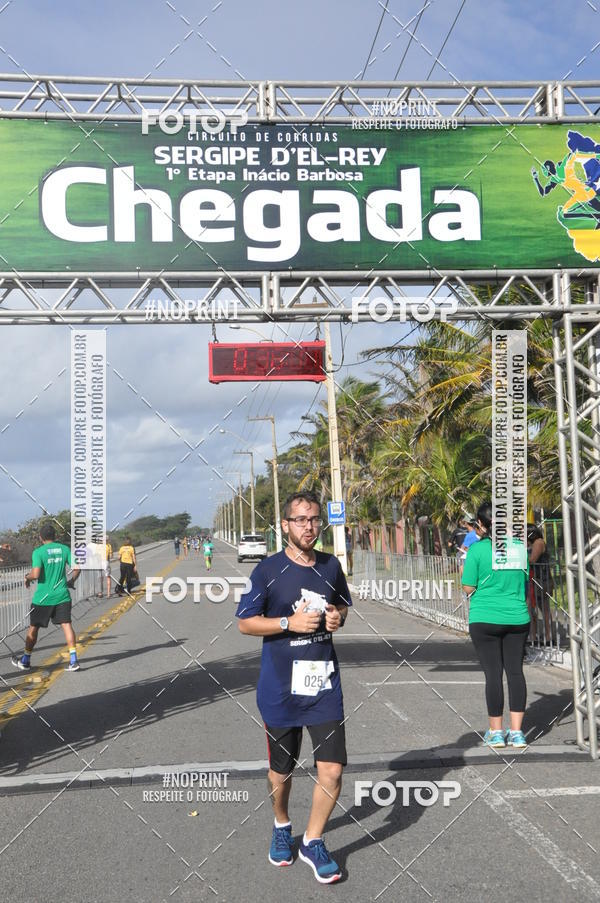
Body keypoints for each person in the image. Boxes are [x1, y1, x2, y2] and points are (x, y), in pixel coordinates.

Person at [236, 490, 351, 884]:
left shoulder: (331, 565)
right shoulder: (267, 571)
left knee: (332, 771)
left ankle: (313, 841)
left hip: (323, 686)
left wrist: (337, 617)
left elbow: (342, 607)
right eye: (300, 519)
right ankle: (282, 825)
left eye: (314, 519)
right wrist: (287, 623)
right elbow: (245, 622)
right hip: (280, 690)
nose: (308, 526)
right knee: (280, 774)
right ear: (285, 525)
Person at [462, 502, 530, 749]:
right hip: (517, 618)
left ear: (480, 524)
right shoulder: (519, 548)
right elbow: (524, 585)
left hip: (484, 618)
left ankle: (496, 732)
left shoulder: (477, 550)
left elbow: (468, 587)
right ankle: (518, 733)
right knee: (515, 672)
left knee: (493, 674)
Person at [12, 522, 81, 672]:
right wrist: (71, 581)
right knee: (67, 625)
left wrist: (27, 577)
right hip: (62, 595)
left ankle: (25, 660)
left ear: (41, 537)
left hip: (43, 598)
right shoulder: (64, 549)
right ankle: (73, 661)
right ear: (55, 536)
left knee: (33, 628)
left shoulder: (39, 552)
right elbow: (77, 568)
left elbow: (35, 574)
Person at [527, 525, 554, 646]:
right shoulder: (533, 544)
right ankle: (533, 636)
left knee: (543, 608)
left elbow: (532, 560)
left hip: (541, 580)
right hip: (534, 579)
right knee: (531, 609)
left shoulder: (538, 542)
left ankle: (548, 636)